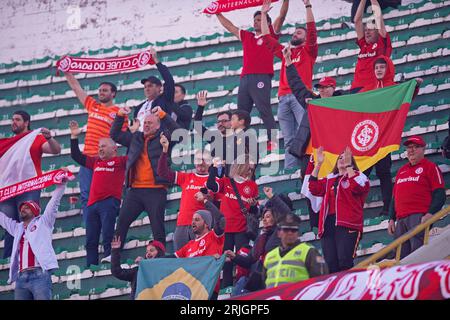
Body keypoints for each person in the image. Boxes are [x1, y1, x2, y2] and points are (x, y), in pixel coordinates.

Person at [215, 0, 290, 151]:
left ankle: (272, 140)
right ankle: (238, 142)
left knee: (264, 109)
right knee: (240, 113)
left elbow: (281, 16)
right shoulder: (247, 36)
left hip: (261, 77)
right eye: (255, 20)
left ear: (267, 22)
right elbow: (230, 27)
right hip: (245, 78)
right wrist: (217, 13)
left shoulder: (270, 35)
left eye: (259, 20)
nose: (256, 23)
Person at [360, 56, 423, 216]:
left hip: (384, 139)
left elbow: (407, 97)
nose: (379, 70)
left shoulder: (394, 87)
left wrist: (414, 87)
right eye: (376, 68)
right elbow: (352, 103)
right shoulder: (367, 89)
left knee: (383, 172)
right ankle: (355, 208)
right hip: (368, 138)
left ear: (388, 69)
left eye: (382, 67)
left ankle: (388, 207)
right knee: (361, 173)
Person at [63, 70, 127, 226]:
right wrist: (67, 72)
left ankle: (107, 227)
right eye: (99, 90)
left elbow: (123, 137)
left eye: (105, 90)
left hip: (104, 161)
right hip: (87, 159)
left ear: (113, 94)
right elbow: (77, 89)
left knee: (106, 197)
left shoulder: (118, 113)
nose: (101, 93)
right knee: (86, 196)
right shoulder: (93, 106)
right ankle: (90, 229)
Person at [110, 106, 180, 247]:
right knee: (121, 223)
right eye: (145, 123)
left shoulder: (163, 137)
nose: (146, 125)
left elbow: (179, 132)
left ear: (158, 126)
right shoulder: (136, 138)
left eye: (150, 123)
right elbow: (115, 134)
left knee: (157, 227)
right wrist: (119, 116)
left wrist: (163, 114)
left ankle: (159, 258)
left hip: (156, 189)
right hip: (135, 191)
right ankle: (114, 257)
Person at [261, 0, 318, 169]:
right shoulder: (287, 52)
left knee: (306, 135)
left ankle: (308, 169)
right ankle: (291, 170)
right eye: (294, 32)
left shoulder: (309, 50)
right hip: (283, 97)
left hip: (300, 97)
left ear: (306, 38)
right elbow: (267, 39)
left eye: (299, 33)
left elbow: (312, 30)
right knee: (288, 140)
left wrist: (308, 6)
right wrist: (264, 14)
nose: (295, 34)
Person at [0, 110, 61, 259]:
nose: (13, 122)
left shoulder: (35, 138)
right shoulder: (6, 143)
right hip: (8, 190)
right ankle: (10, 259)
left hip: (29, 188)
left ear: (26, 122)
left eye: (17, 119)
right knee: (10, 227)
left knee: (29, 223)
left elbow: (56, 150)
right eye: (12, 119)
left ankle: (33, 257)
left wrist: (50, 138)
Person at [0, 171, 68, 300]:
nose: (22, 210)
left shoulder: (44, 222)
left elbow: (54, 204)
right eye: (21, 208)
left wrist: (61, 186)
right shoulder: (17, 228)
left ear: (35, 211)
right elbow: (2, 219)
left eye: (26, 208)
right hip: (21, 279)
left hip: (39, 275)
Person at [69, 120, 126, 266]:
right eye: (99, 146)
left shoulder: (120, 161)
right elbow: (76, 156)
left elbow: (135, 151)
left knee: (107, 233)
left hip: (109, 202)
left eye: (103, 146)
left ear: (114, 149)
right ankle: (91, 266)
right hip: (92, 204)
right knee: (91, 239)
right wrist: (74, 137)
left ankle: (109, 258)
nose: (100, 149)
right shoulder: (95, 162)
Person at [309, 147, 370, 273]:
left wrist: (349, 167)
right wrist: (319, 164)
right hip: (328, 226)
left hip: (348, 225)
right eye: (340, 158)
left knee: (345, 262)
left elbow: (357, 188)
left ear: (351, 162)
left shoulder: (360, 176)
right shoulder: (330, 179)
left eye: (345, 157)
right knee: (331, 265)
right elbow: (313, 187)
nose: (342, 159)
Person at [225, 186, 292, 296]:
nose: (264, 220)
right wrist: (234, 256)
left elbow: (289, 215)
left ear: (276, 218)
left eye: (268, 217)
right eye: (263, 217)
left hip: (275, 277)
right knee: (242, 282)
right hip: (259, 279)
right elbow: (250, 260)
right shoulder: (262, 237)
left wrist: (272, 196)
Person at [388, 136, 445, 259]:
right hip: (400, 219)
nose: (411, 150)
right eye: (409, 147)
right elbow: (394, 197)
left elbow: (440, 193)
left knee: (417, 254)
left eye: (416, 147)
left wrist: (430, 213)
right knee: (401, 257)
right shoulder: (401, 171)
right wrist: (391, 218)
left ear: (423, 149)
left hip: (419, 217)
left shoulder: (430, 167)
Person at [206, 154, 259, 288]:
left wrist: (253, 206)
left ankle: (243, 287)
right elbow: (211, 185)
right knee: (226, 261)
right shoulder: (226, 181)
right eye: (248, 168)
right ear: (241, 166)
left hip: (242, 229)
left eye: (252, 170)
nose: (250, 172)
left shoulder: (252, 186)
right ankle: (226, 289)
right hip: (226, 229)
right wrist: (213, 168)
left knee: (242, 259)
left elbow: (254, 213)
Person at [157, 132, 212, 250]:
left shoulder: (215, 181)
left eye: (204, 159)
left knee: (199, 261)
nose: (201, 162)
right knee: (181, 263)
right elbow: (162, 172)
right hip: (182, 225)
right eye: (198, 159)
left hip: (202, 226)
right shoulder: (187, 177)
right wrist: (165, 150)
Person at [173, 191, 226, 300]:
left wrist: (205, 201)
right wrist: (147, 262)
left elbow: (221, 219)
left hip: (208, 289)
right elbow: (170, 259)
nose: (193, 222)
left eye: (197, 220)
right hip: (190, 292)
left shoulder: (214, 236)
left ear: (206, 223)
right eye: (192, 220)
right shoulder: (189, 245)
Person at [263, 213, 328, 288]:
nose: (290, 233)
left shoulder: (309, 252)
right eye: (286, 230)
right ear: (279, 233)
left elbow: (321, 282)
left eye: (294, 230)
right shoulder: (269, 256)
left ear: (298, 233)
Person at [352, 0, 392, 89]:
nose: (367, 32)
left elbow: (378, 16)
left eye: (370, 29)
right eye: (365, 30)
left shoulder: (382, 44)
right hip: (356, 88)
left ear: (378, 31)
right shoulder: (363, 45)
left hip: (372, 88)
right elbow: (357, 21)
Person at [133, 49, 175, 131]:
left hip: (157, 139)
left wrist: (157, 61)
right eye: (145, 87)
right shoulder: (139, 107)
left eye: (150, 86)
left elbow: (169, 80)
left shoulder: (164, 100)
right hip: (140, 140)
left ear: (159, 87)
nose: (147, 89)